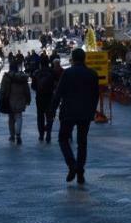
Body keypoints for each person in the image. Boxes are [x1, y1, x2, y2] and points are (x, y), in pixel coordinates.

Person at [51, 48, 100, 185]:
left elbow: (58, 93)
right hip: (85, 113)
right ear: (84, 59)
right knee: (82, 143)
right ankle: (80, 171)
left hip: (68, 112)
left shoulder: (67, 73)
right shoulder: (92, 74)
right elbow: (95, 95)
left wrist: (52, 110)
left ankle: (72, 164)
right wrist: (92, 111)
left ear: (73, 59)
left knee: (63, 139)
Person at [32, 57, 62, 142]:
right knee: (49, 116)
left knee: (40, 116)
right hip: (50, 97)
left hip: (39, 98)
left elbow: (33, 86)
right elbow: (57, 84)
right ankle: (48, 134)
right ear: (49, 63)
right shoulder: (52, 72)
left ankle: (41, 135)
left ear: (40, 64)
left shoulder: (37, 73)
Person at [0, 67, 31, 144]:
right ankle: (18, 135)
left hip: (9, 100)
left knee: (11, 119)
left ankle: (12, 135)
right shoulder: (22, 78)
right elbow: (27, 90)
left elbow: (2, 89)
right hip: (20, 99)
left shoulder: (7, 77)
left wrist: (1, 99)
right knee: (19, 117)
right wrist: (28, 99)